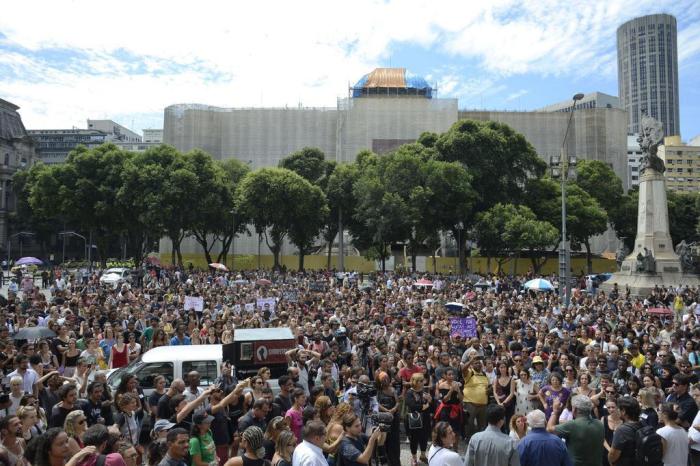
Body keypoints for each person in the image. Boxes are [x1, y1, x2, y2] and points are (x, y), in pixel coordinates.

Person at [547, 395, 604, 466]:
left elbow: (549, 429)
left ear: (575, 409)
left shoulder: (572, 425)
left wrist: (555, 412)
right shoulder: (600, 424)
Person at [404, 373, 432, 465]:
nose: (423, 382)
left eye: (423, 380)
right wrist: (425, 406)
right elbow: (412, 405)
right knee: (414, 439)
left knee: (424, 438)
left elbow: (432, 404)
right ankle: (414, 458)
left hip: (425, 419)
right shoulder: (409, 392)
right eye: (421, 380)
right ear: (415, 382)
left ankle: (423, 456)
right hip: (414, 419)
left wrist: (430, 400)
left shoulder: (424, 391)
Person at [461, 355, 489, 441]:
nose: (478, 364)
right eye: (475, 363)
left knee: (482, 425)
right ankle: (468, 440)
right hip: (470, 403)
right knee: (469, 424)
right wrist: (471, 360)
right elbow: (463, 369)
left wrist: (489, 390)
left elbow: (487, 386)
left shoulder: (484, 374)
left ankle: (481, 441)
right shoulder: (470, 373)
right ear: (472, 365)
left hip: (483, 405)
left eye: (479, 363)